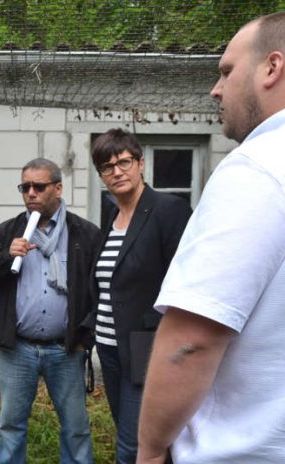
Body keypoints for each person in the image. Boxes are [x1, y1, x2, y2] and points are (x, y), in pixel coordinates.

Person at [137, 12, 285, 463]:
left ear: (272, 68)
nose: (216, 89)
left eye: (226, 71)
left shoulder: (261, 166)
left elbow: (190, 340)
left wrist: (152, 450)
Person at [0, 158, 101, 464]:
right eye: (25, 187)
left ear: (58, 188)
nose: (31, 193)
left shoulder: (84, 233)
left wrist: (86, 336)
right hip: (19, 348)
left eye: (39, 186)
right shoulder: (9, 231)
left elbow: (98, 289)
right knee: (12, 425)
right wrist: (7, 256)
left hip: (65, 348)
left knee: (75, 427)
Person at [89, 129, 191, 463]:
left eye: (123, 162)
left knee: (133, 447)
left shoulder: (168, 210)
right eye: (107, 167)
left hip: (148, 348)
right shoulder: (112, 217)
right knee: (132, 435)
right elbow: (108, 283)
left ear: (141, 162)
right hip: (109, 347)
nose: (116, 172)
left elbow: (186, 280)